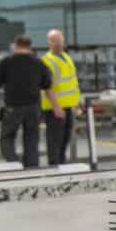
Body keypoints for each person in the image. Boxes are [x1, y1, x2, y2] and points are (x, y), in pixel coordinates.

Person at [0, 35, 54, 168]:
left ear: (16, 45)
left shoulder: (7, 62)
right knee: (31, 138)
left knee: (7, 137)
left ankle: (13, 164)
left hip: (13, 106)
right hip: (33, 106)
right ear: (29, 46)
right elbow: (47, 83)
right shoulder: (39, 62)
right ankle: (32, 169)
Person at [40, 29, 80, 166]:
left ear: (63, 40)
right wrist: (56, 107)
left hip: (68, 106)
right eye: (54, 41)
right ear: (49, 42)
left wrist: (76, 103)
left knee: (64, 140)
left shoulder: (66, 57)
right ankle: (54, 168)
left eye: (59, 40)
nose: (57, 43)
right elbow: (47, 87)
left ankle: (61, 166)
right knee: (54, 141)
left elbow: (72, 82)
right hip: (54, 108)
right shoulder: (47, 61)